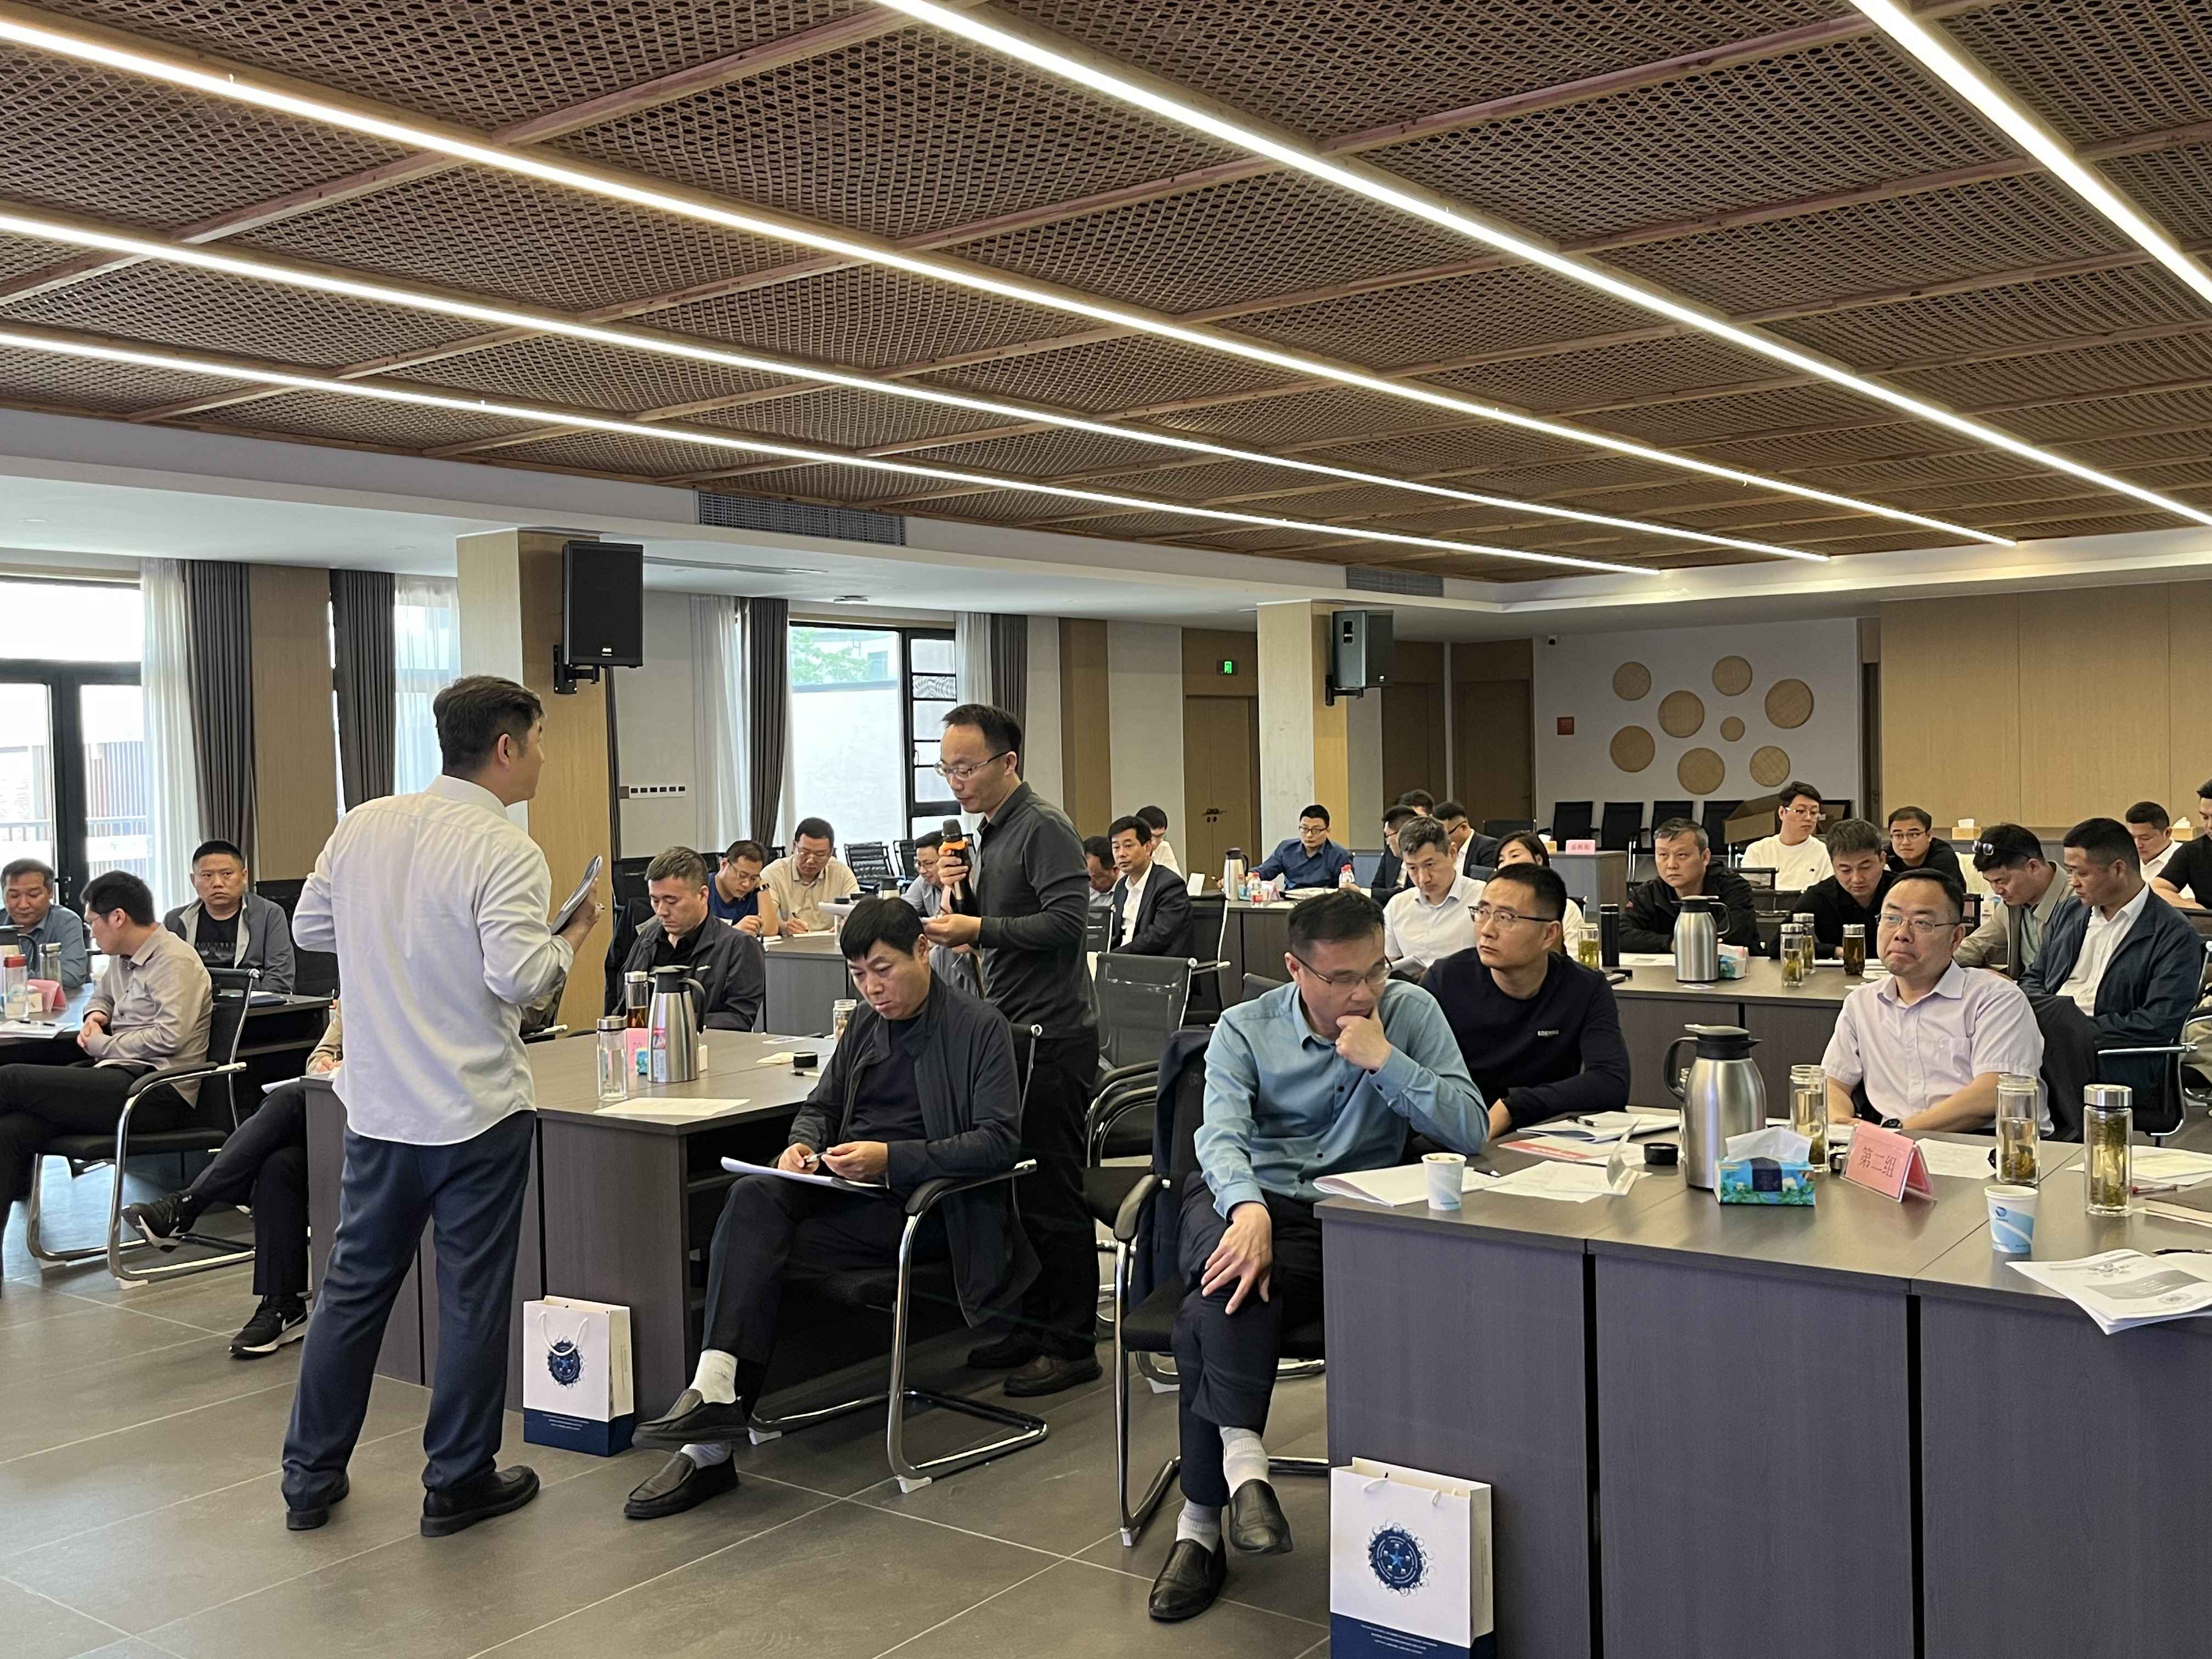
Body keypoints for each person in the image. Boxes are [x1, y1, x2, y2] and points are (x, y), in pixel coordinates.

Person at [279, 675, 600, 1537]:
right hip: (475, 1111)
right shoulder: (505, 848)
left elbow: (311, 930)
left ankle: (309, 1478)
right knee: (470, 1299)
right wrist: (571, 936)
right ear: (507, 747)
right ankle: (457, 1481)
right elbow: (522, 979)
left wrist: (389, 941)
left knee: (351, 1292)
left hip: (380, 1107)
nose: (544, 758)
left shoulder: (363, 823)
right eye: (540, 741)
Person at [623, 899, 1035, 1519]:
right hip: (846, 1191)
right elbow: (821, 1105)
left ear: (923, 951)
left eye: (883, 970)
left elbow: (998, 1142)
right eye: (859, 975)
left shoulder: (979, 1027)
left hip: (923, 1210)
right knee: (753, 1195)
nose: (872, 988)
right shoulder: (866, 1024)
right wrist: (803, 1144)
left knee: (751, 1252)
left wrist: (891, 1159)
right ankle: (714, 1388)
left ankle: (709, 1442)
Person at [1149, 890, 1482, 1623]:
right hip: (1242, 1197)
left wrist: (1386, 1060)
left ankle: (1211, 1514)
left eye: (1375, 971)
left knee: (1210, 1307)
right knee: (1235, 1262)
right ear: (1296, 969)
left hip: (1346, 1215)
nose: (1363, 993)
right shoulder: (1245, 1027)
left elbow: (1470, 1128)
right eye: (1341, 979)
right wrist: (1249, 1210)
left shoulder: (1411, 1013)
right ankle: (1233, 1486)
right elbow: (1219, 1138)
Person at [923, 703, 1099, 1396]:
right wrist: (962, 896)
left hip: (1052, 1036)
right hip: (1008, 1031)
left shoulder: (1043, 826)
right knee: (1016, 1191)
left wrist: (979, 927)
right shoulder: (990, 831)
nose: (956, 782)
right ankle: (1032, 1324)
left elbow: (1067, 923)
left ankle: (1073, 1344)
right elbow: (999, 922)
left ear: (1009, 762)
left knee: (1052, 1191)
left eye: (967, 768)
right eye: (947, 769)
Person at [124, 1003, 343, 1357]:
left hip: (388, 1122)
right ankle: (283, 1305)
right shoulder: (358, 987)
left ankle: (189, 1204)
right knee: (277, 1165)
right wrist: (323, 1066)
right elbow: (320, 1055)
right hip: (333, 1113)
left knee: (289, 1099)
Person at [0, 871, 211, 1238]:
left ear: (118, 917)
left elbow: (171, 1037)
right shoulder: (122, 956)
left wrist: (103, 1045)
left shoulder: (174, 961)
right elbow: (102, 996)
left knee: (11, 1078)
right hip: (116, 1080)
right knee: (12, 1130)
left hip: (154, 1092)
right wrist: (96, 1016)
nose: (91, 932)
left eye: (93, 922)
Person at [1821, 868, 2043, 1131]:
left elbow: (1991, 1095)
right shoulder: (1862, 1003)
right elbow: (1833, 1082)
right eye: (1891, 918)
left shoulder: (1995, 999)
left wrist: (1896, 1132)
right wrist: (1840, 1122)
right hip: (1892, 1141)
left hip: (1985, 1143)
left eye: (1922, 923)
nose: (1902, 934)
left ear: (1956, 938)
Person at [1424, 863, 1630, 1139]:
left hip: (1544, 1135)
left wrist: (1513, 1107)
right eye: (1482, 912)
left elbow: (1612, 1082)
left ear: (1549, 934)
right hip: (1456, 1137)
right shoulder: (1445, 980)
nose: (1487, 930)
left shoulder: (1585, 987)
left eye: (1505, 918)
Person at [2021, 816, 2203, 1110]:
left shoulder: (2173, 933)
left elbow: (2158, 1022)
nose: (2073, 883)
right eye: (2070, 871)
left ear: (2119, 869)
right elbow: (2034, 976)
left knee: (2019, 1079)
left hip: (2114, 1055)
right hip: (2049, 1037)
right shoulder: (2071, 913)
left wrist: (2074, 1030)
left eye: (2081, 873)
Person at [608, 847, 765, 1031]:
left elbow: (740, 1018)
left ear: (703, 895)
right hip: (640, 1044)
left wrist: (669, 1024)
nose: (661, 911)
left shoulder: (739, 947)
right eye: (655, 901)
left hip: (705, 1045)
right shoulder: (648, 938)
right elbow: (623, 1006)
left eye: (672, 901)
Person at [163, 839, 296, 995]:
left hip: (252, 1005)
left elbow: (279, 978)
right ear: (193, 881)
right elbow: (163, 975)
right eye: (207, 875)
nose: (217, 883)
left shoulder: (269, 914)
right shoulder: (175, 921)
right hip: (193, 1005)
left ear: (244, 876)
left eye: (227, 874)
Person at [1618, 820, 1757, 952]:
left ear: (1705, 857)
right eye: (1663, 855)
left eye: (1682, 855)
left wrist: (1687, 945)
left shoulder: (1734, 888)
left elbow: (1735, 935)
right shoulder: (1647, 893)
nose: (1672, 865)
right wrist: (1672, 944)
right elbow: (1620, 935)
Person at [1954, 823, 2072, 978]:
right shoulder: (2013, 903)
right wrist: (1936, 962)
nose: (1997, 891)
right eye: (1990, 882)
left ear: (2033, 867)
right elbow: (1979, 945)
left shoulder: (2078, 901)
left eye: (2002, 881)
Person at [1380, 816, 1478, 973]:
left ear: (1452, 853)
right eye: (1413, 868)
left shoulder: (1482, 899)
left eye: (1430, 865)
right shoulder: (1398, 906)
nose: (1423, 879)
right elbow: (1384, 966)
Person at [1107, 814, 1194, 958]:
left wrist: (1114, 956)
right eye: (1116, 847)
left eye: (1128, 846)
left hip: (1155, 964)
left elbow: (1158, 937)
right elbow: (1115, 935)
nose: (1121, 854)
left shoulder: (1170, 885)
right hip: (1120, 962)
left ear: (1148, 848)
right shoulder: (1122, 887)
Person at [1471, 832, 1585, 939]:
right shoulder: (1487, 908)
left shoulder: (1567, 909)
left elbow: (1573, 953)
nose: (1507, 864)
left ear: (1539, 860)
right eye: (1501, 860)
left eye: (1515, 856)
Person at [1, 857, 90, 991]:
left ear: (50, 893)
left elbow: (71, 976)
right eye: (14, 896)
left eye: (33, 895)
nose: (23, 905)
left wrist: (13, 977)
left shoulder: (66, 921)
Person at [760, 819, 858, 935]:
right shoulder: (773, 873)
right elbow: (765, 919)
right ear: (794, 846)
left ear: (830, 853)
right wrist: (784, 927)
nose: (810, 861)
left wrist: (846, 926)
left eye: (820, 855)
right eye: (804, 852)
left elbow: (858, 912)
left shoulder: (841, 873)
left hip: (831, 941)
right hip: (791, 943)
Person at [1740, 780, 1833, 891]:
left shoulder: (1825, 853)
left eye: (1813, 813)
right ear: (1782, 812)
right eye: (1800, 811)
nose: (1808, 818)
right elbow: (1750, 894)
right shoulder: (1758, 850)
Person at [1252, 804, 1355, 890]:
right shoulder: (1286, 849)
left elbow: (1344, 890)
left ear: (1327, 831)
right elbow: (1263, 872)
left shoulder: (1340, 856)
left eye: (1316, 830)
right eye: (1305, 829)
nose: (1309, 835)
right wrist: (1249, 877)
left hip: (1324, 904)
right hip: (1290, 902)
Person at [2151, 781, 2211, 911]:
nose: (2210, 825)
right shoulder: (2192, 851)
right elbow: (2158, 888)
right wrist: (2193, 907)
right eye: (2205, 818)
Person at [706, 839, 781, 938]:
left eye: (753, 878)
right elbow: (692, 936)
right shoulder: (702, 889)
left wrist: (763, 887)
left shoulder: (753, 892)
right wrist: (733, 931)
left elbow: (770, 932)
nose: (747, 884)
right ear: (724, 864)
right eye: (742, 876)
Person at [1884, 806, 1962, 879]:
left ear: (1929, 836)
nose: (1905, 842)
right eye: (1898, 835)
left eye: (1914, 835)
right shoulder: (1884, 856)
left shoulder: (1943, 856)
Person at [1434, 800, 1501, 873]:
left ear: (1464, 828)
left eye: (1445, 835)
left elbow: (1489, 878)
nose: (1441, 840)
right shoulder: (1443, 851)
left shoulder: (1488, 847)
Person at [1368, 804, 1418, 895]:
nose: (1387, 842)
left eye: (1388, 835)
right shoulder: (1389, 853)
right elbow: (1376, 886)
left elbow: (1410, 894)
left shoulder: (1421, 859)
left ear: (1401, 834)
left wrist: (1363, 892)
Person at [2126, 800, 2180, 885]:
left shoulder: (2187, 859)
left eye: (2145, 838)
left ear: (2167, 833)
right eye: (2132, 837)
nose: (2137, 845)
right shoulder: (2125, 857)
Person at [900, 831, 943, 911]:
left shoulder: (964, 885)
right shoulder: (924, 880)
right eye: (919, 864)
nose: (922, 871)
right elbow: (902, 910)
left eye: (928, 863)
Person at [1136, 805, 1182, 876]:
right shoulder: (1125, 850)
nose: (1154, 843)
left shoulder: (1164, 847)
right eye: (1151, 836)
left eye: (1160, 836)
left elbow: (1176, 879)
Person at [1084, 836, 1118, 911]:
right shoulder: (1083, 890)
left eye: (1096, 877)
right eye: (1086, 878)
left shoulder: (1130, 891)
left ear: (1116, 870)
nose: (1090, 884)